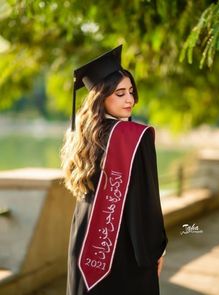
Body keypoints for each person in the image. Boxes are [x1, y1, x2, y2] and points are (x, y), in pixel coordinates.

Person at [61, 45, 168, 295]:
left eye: (131, 91)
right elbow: (146, 202)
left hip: (84, 247)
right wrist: (156, 250)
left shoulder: (82, 136)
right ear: (101, 96)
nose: (130, 99)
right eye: (120, 93)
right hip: (122, 254)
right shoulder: (135, 136)